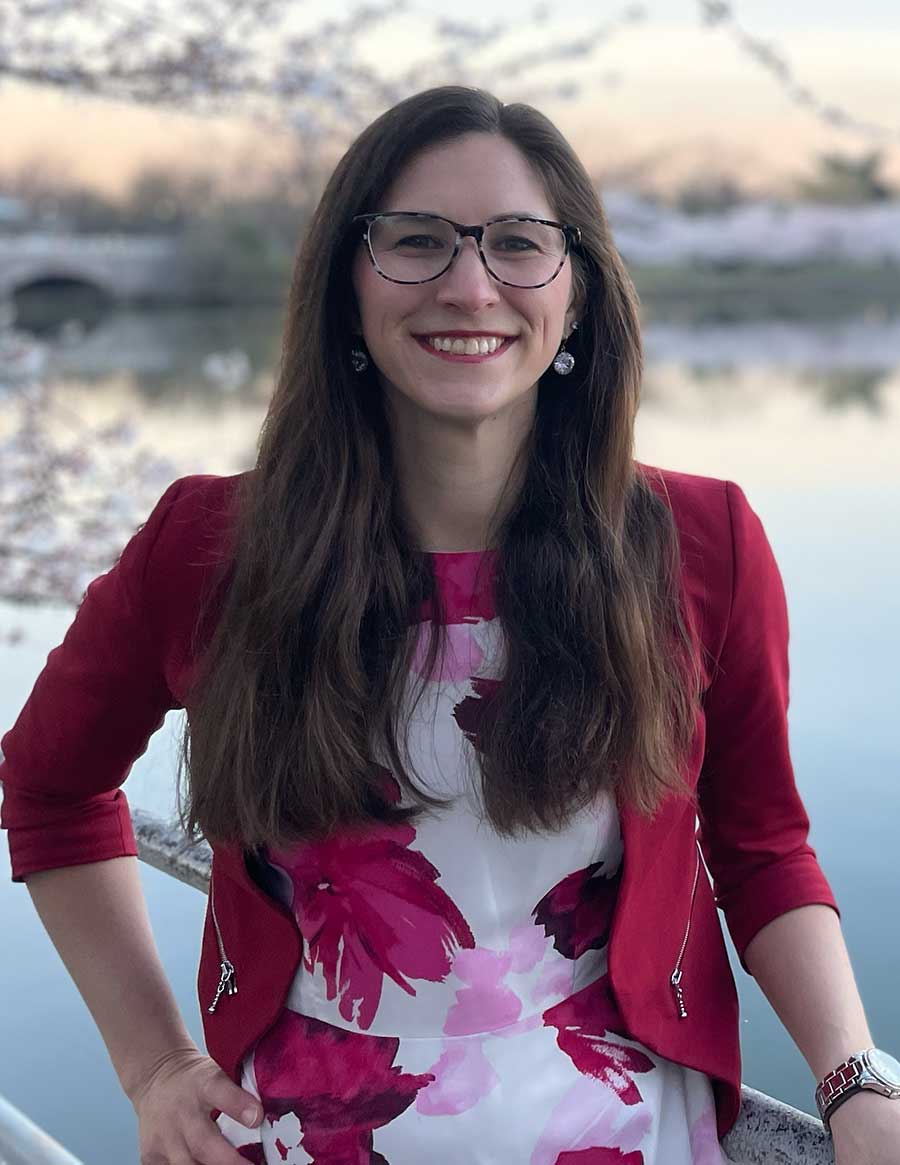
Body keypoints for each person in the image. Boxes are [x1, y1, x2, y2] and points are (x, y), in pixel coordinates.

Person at [2, 86, 899, 1165]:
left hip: (622, 1133)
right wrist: (151, 1064)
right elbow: (48, 786)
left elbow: (761, 849)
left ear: (578, 293)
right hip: (301, 1135)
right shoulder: (212, 547)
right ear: (348, 280)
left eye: (519, 244)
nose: (470, 285)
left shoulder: (698, 542)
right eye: (418, 242)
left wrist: (856, 1081)